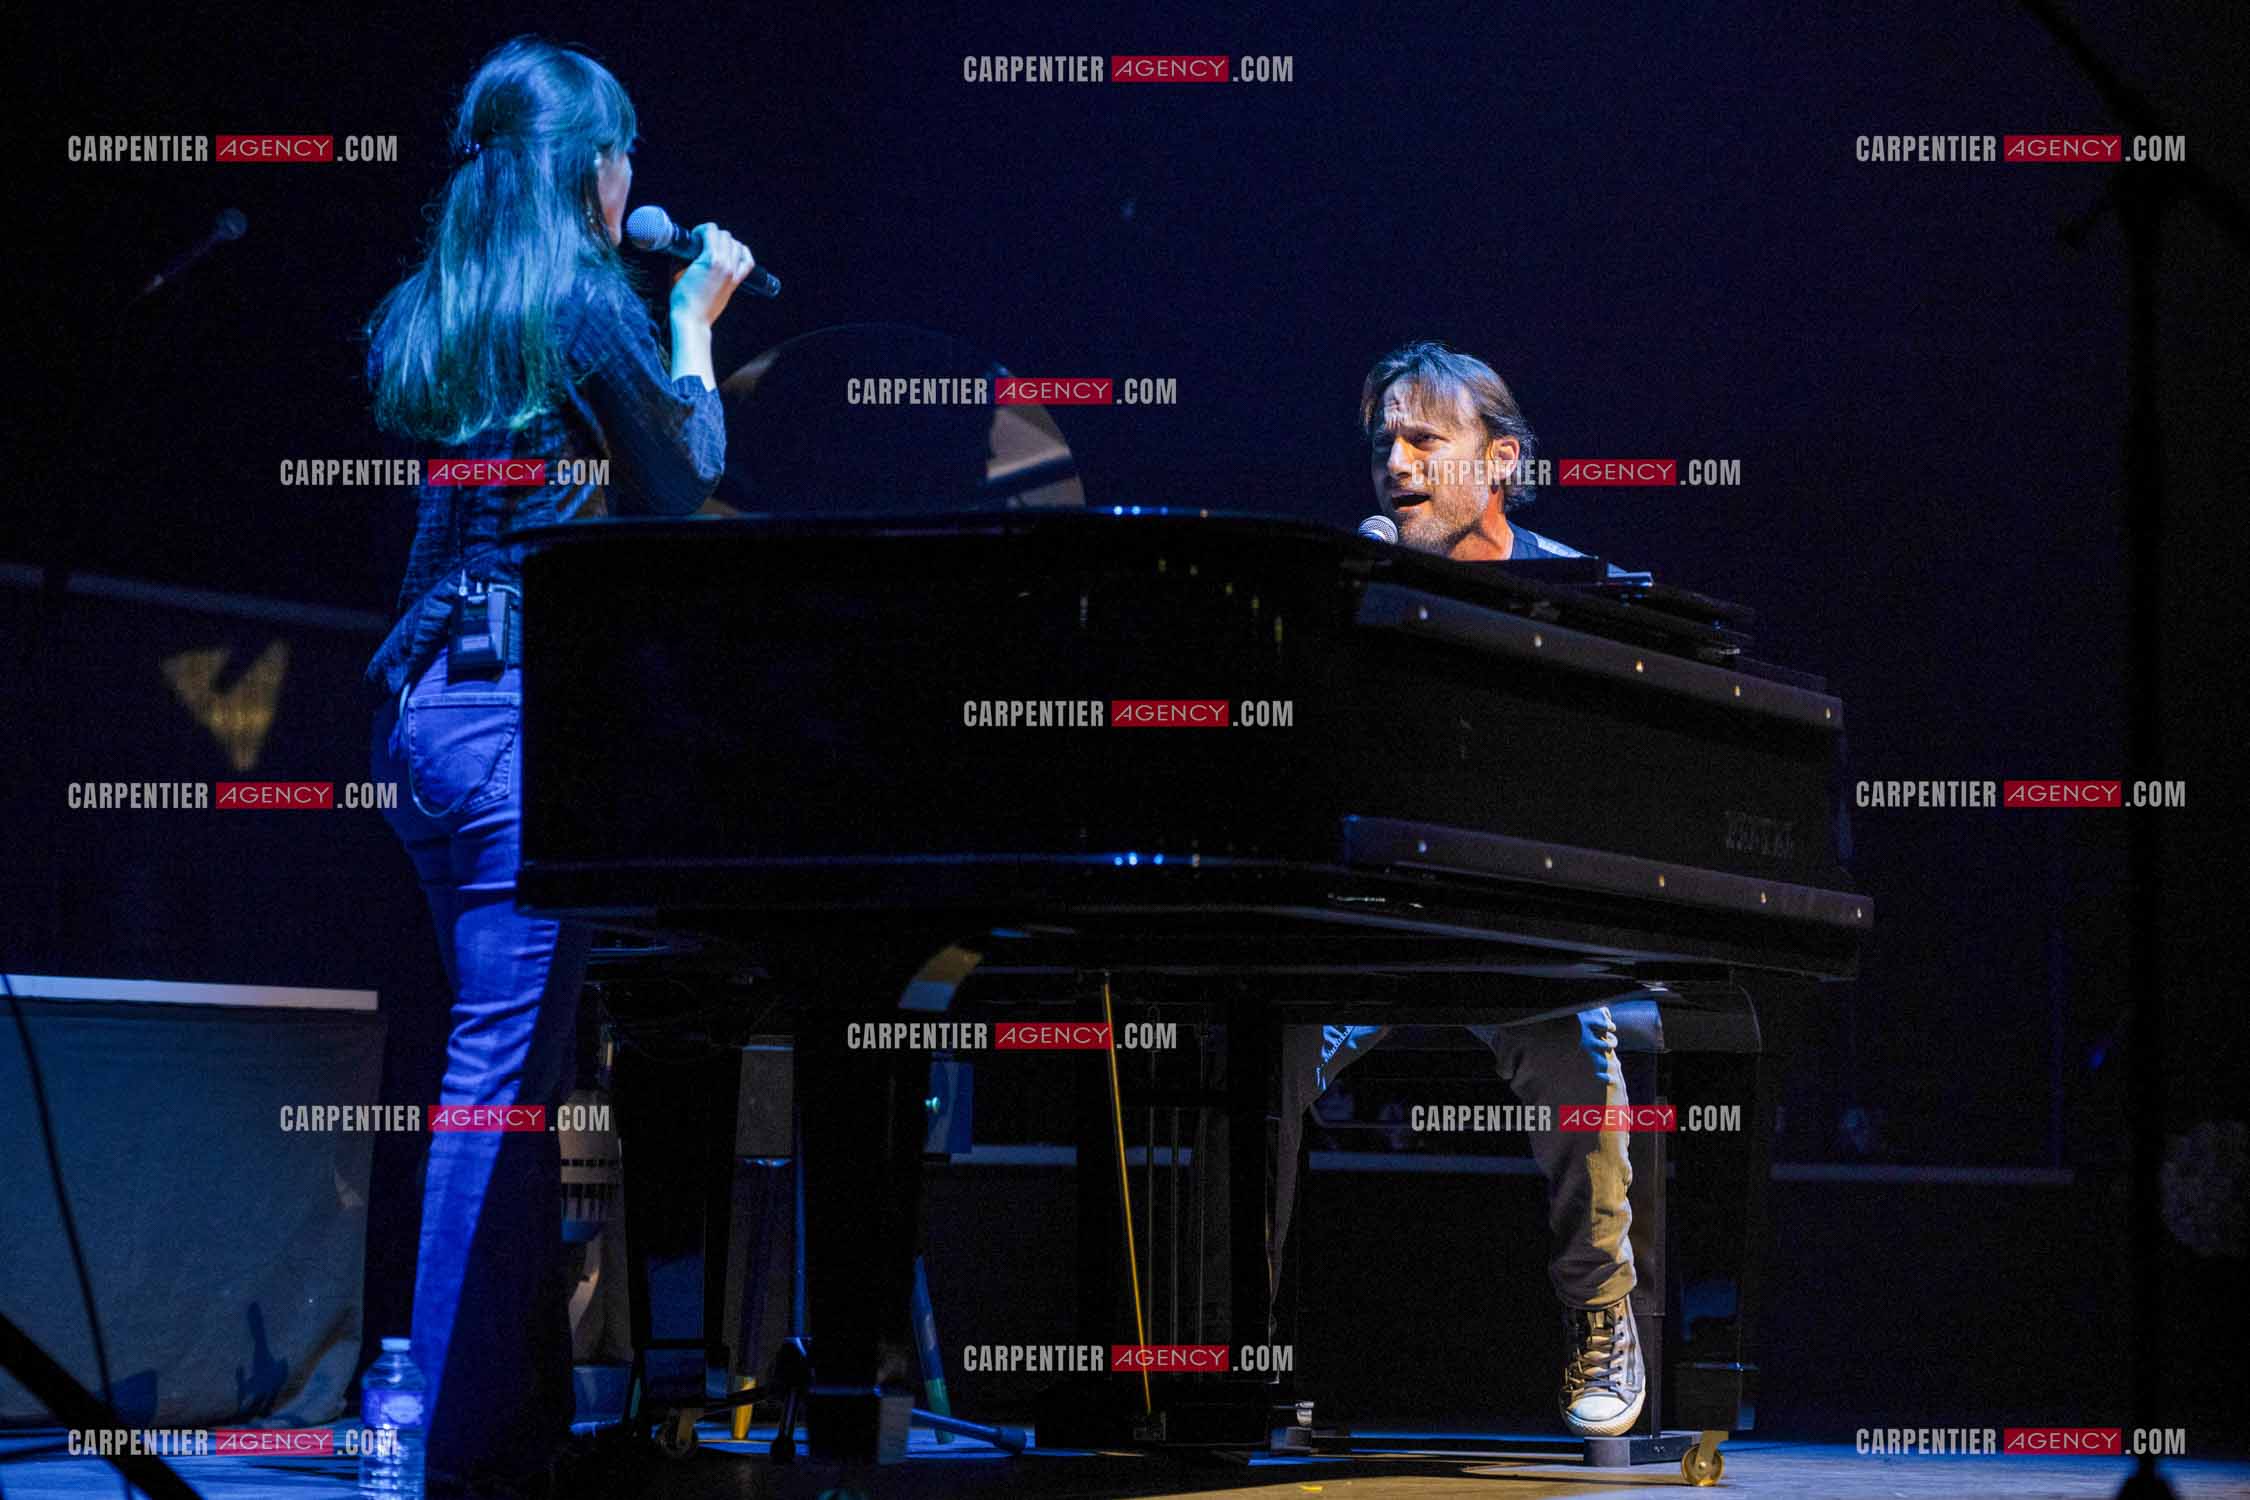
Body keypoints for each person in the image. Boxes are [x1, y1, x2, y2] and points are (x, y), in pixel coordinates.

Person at [361, 35, 755, 1500]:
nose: (634, 176)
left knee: (510, 1082)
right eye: (623, 152)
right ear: (596, 168)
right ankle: (437, 1442)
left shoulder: (444, 301)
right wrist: (693, 321)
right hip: (515, 721)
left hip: (424, 718)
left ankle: (499, 1431)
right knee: (493, 1083)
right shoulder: (586, 303)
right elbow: (683, 481)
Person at [1279, 341, 1649, 1438]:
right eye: (1382, 443)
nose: (1394, 464)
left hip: (1519, 927)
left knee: (1580, 1060)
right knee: (1261, 1053)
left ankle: (1603, 1316)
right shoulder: (1349, 580)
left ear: (1500, 462)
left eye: (1423, 441)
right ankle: (1244, 1342)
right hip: (1372, 930)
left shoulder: (1579, 590)